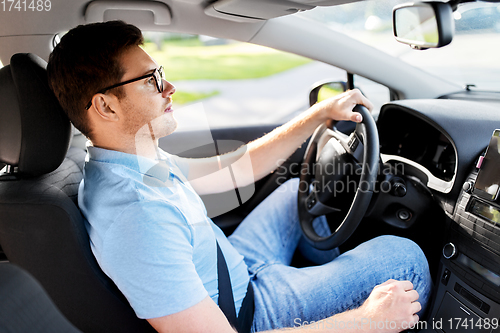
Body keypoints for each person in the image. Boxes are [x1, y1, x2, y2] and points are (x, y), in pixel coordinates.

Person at [47, 20, 432, 333]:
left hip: (236, 266)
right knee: (403, 258)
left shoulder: (129, 160)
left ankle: (332, 285)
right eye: (150, 80)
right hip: (250, 313)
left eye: (159, 73)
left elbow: (235, 168)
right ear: (105, 106)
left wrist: (320, 114)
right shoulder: (135, 217)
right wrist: (364, 319)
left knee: (301, 189)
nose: (169, 88)